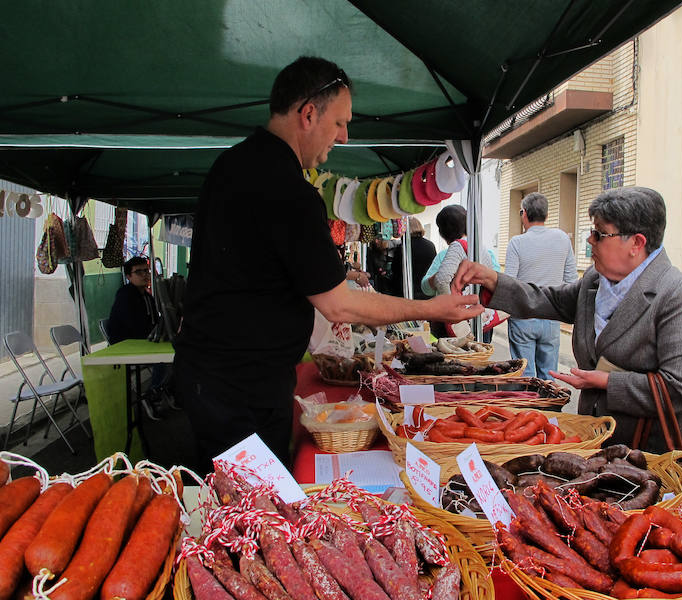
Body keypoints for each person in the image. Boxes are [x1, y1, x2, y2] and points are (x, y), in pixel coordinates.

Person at [174, 56, 482, 470]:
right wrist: (429, 309)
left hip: (216, 377)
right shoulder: (287, 189)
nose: (345, 137)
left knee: (232, 503)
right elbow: (338, 304)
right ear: (307, 114)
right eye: (340, 123)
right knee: (250, 513)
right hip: (240, 387)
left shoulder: (232, 165)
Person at [453, 187, 682, 457]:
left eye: (600, 234)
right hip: (599, 440)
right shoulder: (594, 281)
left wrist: (608, 383)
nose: (589, 240)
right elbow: (549, 300)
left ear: (636, 243)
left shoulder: (678, 293)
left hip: (654, 452)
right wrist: (493, 279)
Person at [505, 192, 577, 380]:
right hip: (552, 315)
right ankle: (549, 408)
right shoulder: (562, 238)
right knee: (548, 375)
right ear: (546, 215)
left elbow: (509, 283)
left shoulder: (517, 242)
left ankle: (529, 407)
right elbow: (571, 279)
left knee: (525, 376)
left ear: (525, 214)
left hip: (523, 315)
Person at [425, 204, 500, 341]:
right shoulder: (485, 252)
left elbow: (427, 288)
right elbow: (497, 282)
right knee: (480, 357)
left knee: (451, 359)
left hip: (452, 322)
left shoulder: (444, 255)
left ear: (442, 232)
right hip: (482, 319)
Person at [107, 256, 171, 418]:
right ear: (129, 276)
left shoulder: (147, 296)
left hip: (142, 342)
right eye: (138, 272)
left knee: (175, 355)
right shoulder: (126, 296)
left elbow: (154, 322)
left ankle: (159, 390)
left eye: (146, 270)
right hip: (126, 346)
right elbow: (135, 326)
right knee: (163, 359)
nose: (144, 274)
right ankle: (152, 394)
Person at [389, 217, 436, 299]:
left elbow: (395, 268)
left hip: (406, 291)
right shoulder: (430, 245)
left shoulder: (403, 247)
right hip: (426, 290)